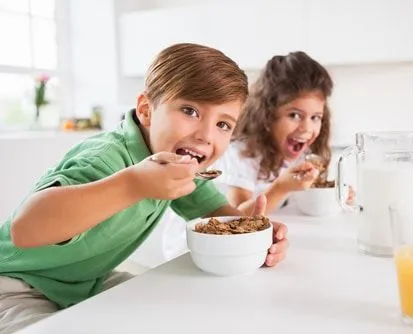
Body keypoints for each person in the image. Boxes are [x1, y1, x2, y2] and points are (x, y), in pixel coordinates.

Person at [0, 43, 288, 334]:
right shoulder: (105, 158)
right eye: (190, 111)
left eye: (223, 125)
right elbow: (25, 228)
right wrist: (133, 184)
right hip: (15, 284)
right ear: (146, 110)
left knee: (175, 312)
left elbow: (217, 213)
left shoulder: (181, 168)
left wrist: (254, 231)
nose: (205, 135)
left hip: (84, 283)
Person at [213, 51, 353, 215]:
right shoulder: (240, 154)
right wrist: (281, 187)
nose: (307, 128)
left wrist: (335, 196)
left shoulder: (304, 153)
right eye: (294, 115)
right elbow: (237, 219)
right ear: (267, 115)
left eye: (315, 117)